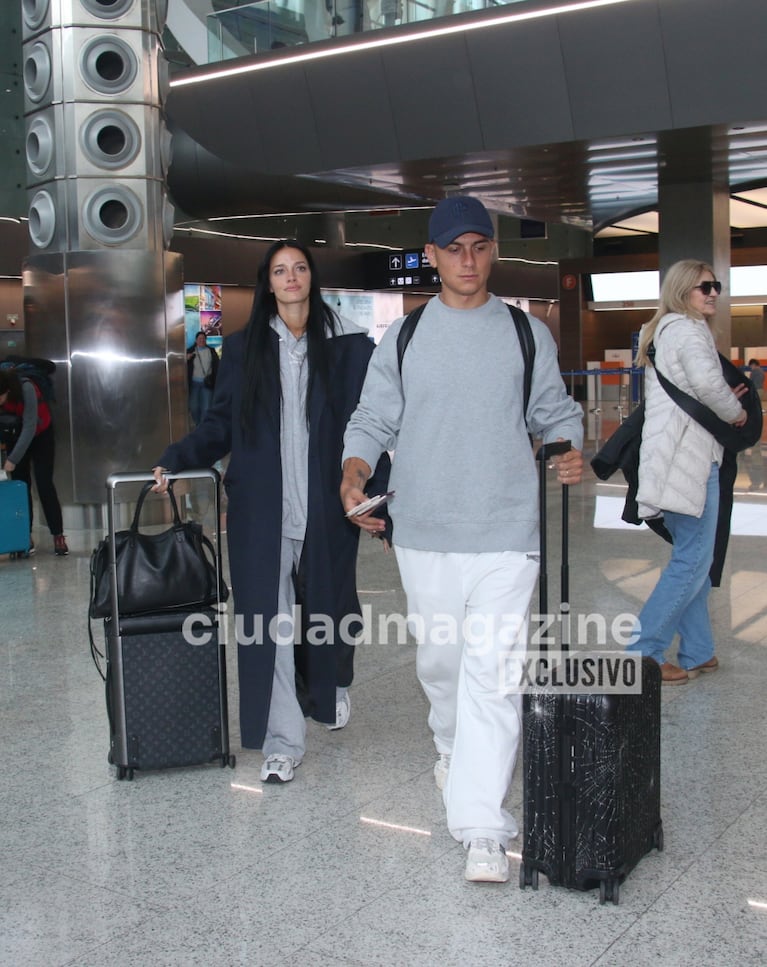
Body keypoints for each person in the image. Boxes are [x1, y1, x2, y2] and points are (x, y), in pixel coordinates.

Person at [340, 196, 584, 883]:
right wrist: (353, 471)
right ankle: (449, 741)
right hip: (424, 531)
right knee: (442, 666)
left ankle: (481, 824)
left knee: (494, 676)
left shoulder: (524, 332)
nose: (467, 260)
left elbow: (554, 411)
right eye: (454, 248)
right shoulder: (405, 338)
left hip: (508, 529)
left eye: (479, 246)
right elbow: (371, 418)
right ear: (433, 255)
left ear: (493, 250)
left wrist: (569, 447)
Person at [153, 240, 390, 783]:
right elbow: (219, 425)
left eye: (299, 268)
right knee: (270, 623)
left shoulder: (350, 346)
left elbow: (371, 427)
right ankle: (283, 740)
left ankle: (333, 681)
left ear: (312, 277)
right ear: (269, 282)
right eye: (280, 271)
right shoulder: (244, 350)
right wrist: (176, 458)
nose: (290, 278)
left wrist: (378, 499)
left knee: (334, 611)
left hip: (329, 507)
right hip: (264, 511)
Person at [626, 260, 748, 685]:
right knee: (692, 560)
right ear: (683, 291)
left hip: (674, 456)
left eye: (715, 286)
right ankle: (642, 654)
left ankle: (698, 651)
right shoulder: (687, 330)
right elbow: (710, 387)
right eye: (704, 287)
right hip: (688, 460)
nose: (713, 293)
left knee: (694, 556)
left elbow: (698, 387)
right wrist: (736, 414)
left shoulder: (666, 330)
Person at [0, 367, 68, 555]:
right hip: (15, 436)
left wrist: (13, 459)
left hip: (41, 435)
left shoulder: (26, 388)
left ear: (7, 391)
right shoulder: (3, 395)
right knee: (21, 485)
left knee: (44, 483)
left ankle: (58, 535)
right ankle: (23, 537)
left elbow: (30, 427)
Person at [186, 331, 220, 426]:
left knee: (206, 408)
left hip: (207, 383)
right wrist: (186, 359)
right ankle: (198, 423)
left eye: (203, 338)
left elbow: (217, 366)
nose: (201, 340)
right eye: (199, 339)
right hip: (194, 384)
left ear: (206, 340)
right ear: (196, 340)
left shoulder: (211, 351)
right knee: (193, 407)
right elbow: (181, 366)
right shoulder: (190, 351)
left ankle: (202, 428)